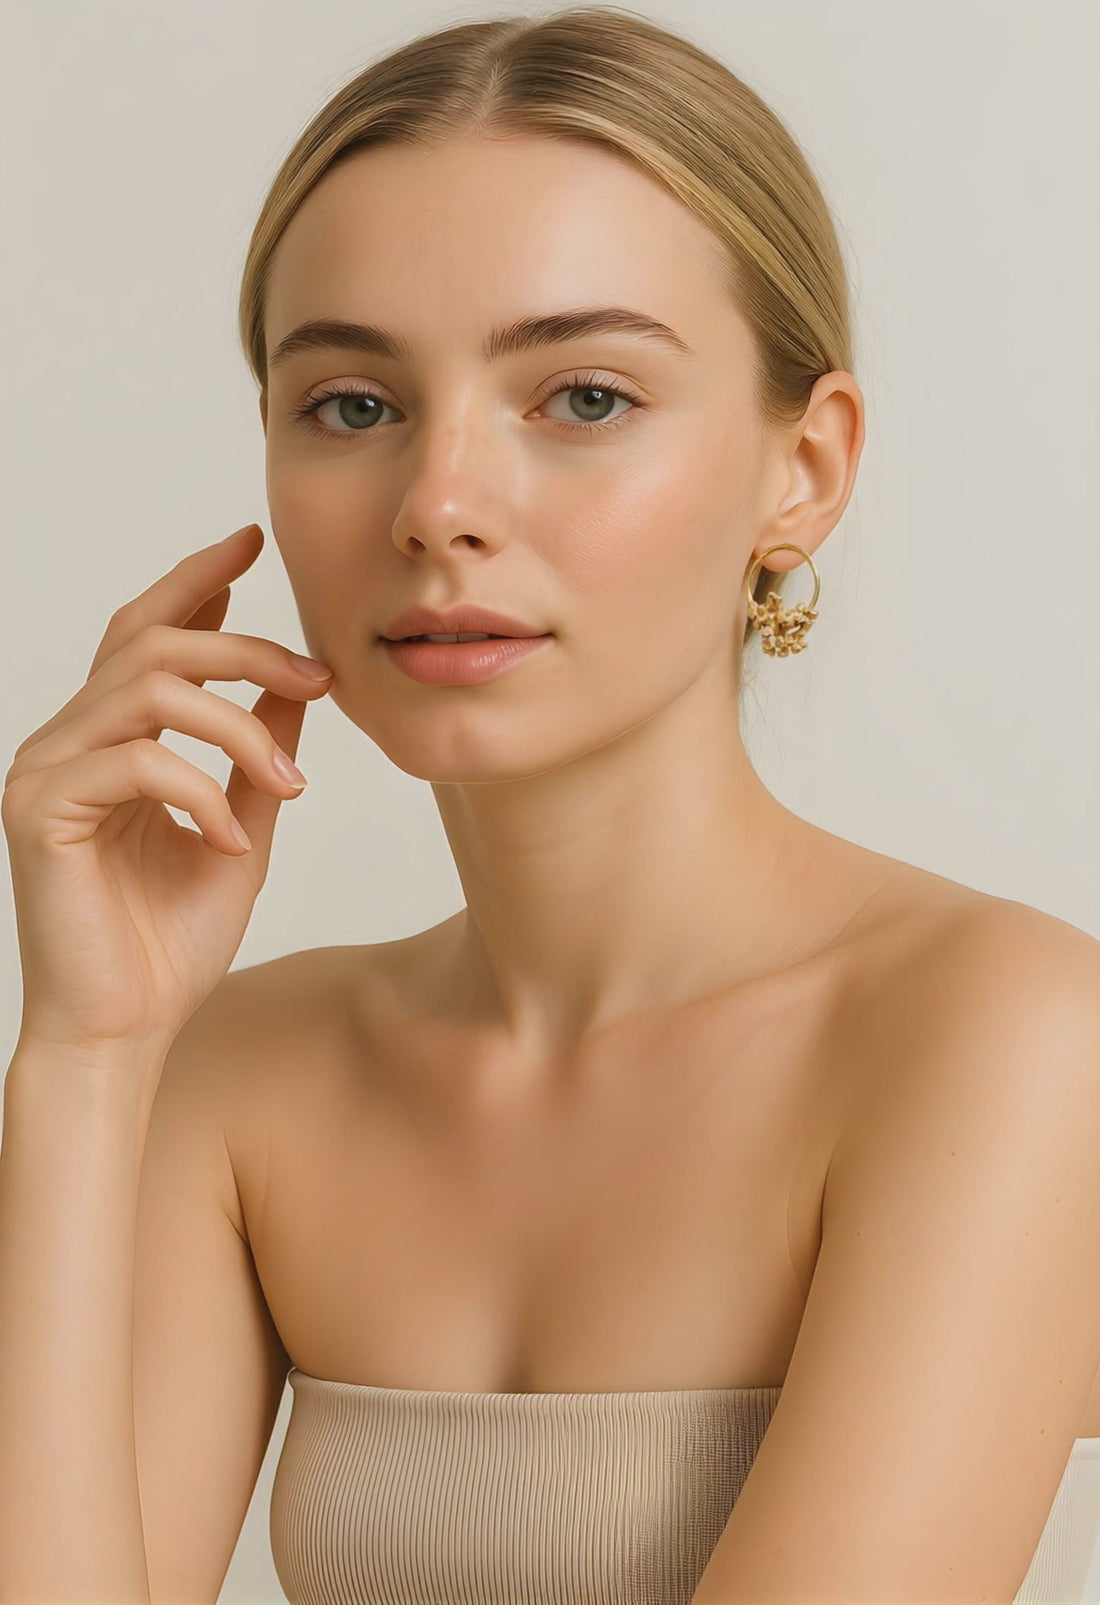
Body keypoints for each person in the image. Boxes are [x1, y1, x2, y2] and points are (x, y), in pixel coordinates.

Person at [3, 7, 1100, 1604]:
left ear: (804, 469)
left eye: (583, 397)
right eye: (354, 405)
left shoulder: (1004, 1033)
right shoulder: (244, 1073)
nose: (439, 505)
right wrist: (84, 1059)